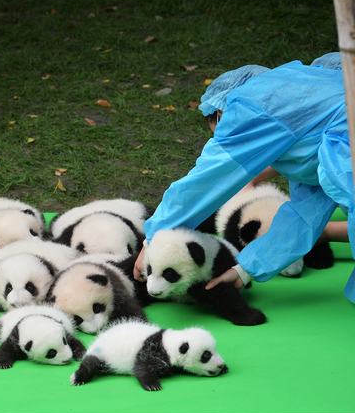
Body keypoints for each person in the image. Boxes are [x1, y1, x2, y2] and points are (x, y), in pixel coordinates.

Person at [134, 60, 355, 303]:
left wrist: (154, 237)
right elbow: (304, 216)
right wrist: (245, 269)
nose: (228, 137)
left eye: (221, 132)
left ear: (221, 113)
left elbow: (204, 182)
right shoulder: (310, 128)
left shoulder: (253, 104)